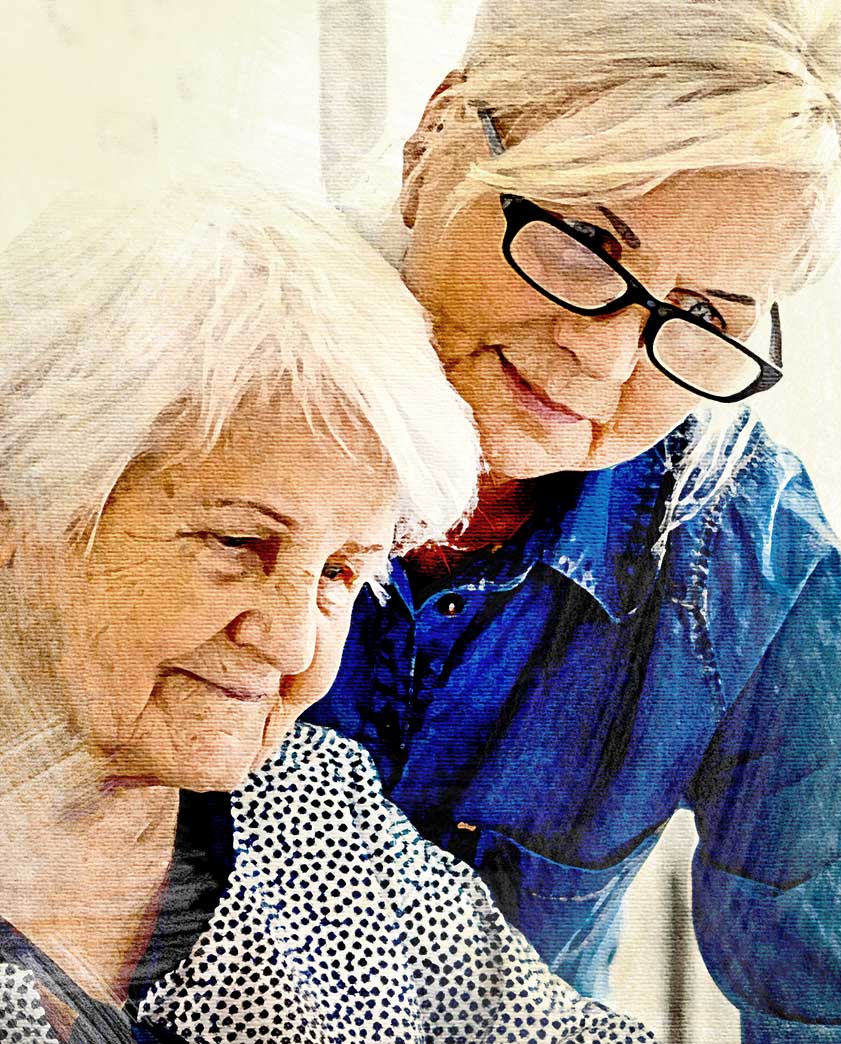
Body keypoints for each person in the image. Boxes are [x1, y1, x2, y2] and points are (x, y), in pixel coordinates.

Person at [303, 1, 841, 1040]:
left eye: (707, 315)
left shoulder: (750, 556)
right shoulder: (179, 400)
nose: (607, 357)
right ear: (433, 144)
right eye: (584, 240)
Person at [0, 175, 654, 1043]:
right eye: (236, 545)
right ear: (25, 509)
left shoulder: (319, 821)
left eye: (342, 573)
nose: (291, 640)